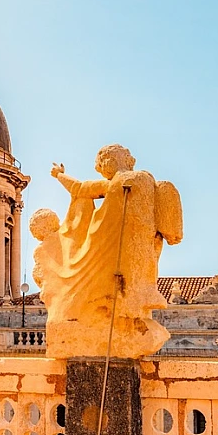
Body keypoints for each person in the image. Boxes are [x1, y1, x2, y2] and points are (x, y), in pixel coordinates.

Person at [37, 144, 182, 359]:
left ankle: (118, 315)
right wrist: (61, 175)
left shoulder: (127, 181)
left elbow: (80, 188)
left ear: (112, 161)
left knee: (107, 282)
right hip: (124, 249)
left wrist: (60, 175)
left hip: (111, 247)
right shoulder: (133, 181)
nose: (101, 169)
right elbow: (80, 189)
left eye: (102, 164)